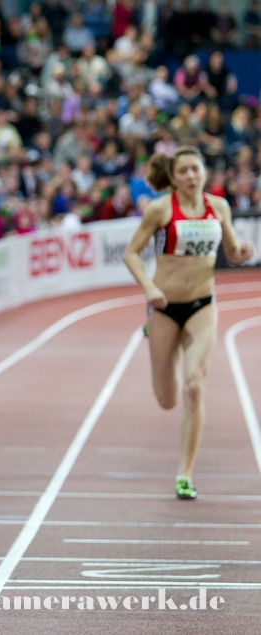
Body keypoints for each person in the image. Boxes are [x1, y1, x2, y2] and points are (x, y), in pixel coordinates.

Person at [122, 146, 255, 501]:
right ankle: (152, 330)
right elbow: (130, 252)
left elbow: (230, 252)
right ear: (174, 177)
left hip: (202, 305)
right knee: (167, 399)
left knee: (194, 387)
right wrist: (149, 287)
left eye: (196, 169)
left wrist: (242, 252)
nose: (191, 177)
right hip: (165, 308)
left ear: (204, 172)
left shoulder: (219, 207)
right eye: (184, 172)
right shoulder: (161, 209)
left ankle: (185, 473)